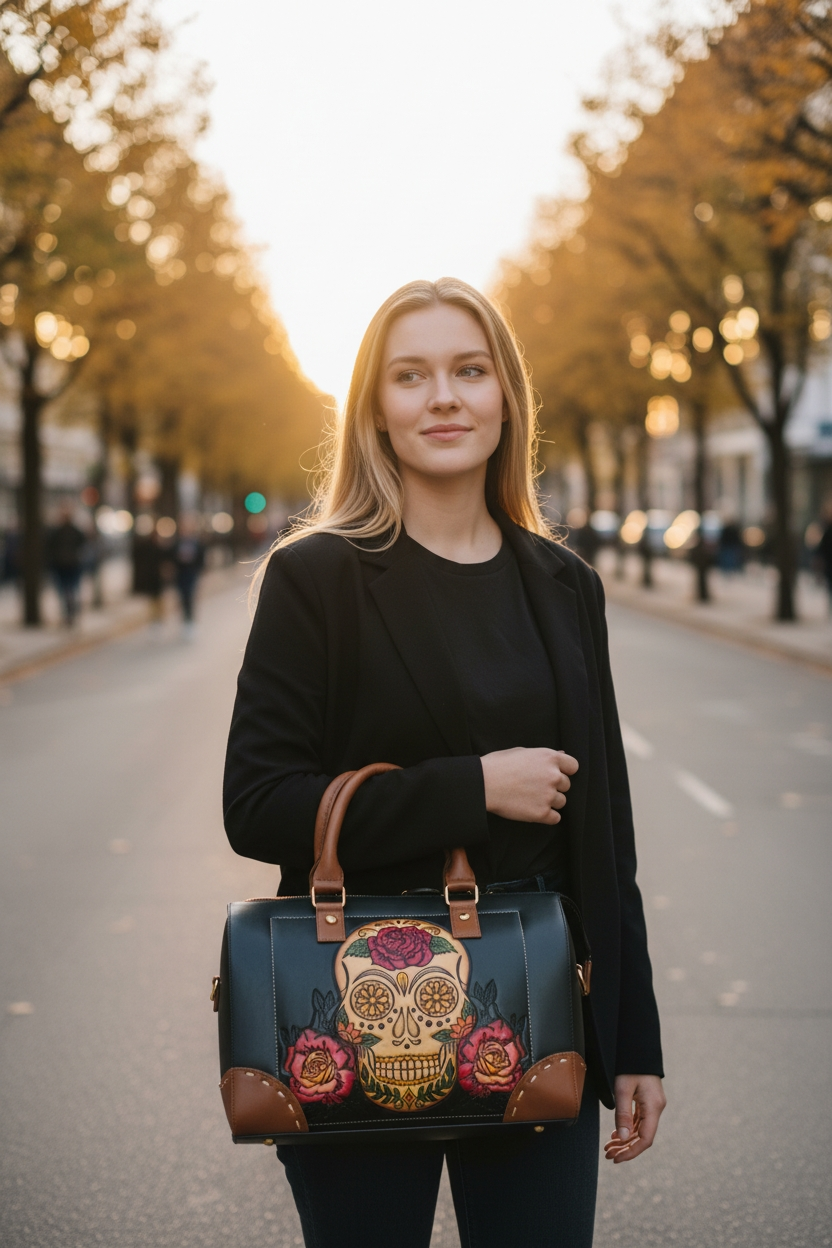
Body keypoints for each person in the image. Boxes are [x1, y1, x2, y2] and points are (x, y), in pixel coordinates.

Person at [223, 279, 665, 1248]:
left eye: (469, 371)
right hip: (353, 1012)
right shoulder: (316, 579)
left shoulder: (563, 587)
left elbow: (606, 837)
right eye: (411, 376)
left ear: (505, 396)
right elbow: (256, 804)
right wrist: (473, 788)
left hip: (536, 1007)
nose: (444, 398)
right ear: (375, 411)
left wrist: (632, 1042)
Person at [45, 505, 87, 626]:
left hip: (60, 565)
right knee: (72, 589)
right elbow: (83, 544)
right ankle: (71, 611)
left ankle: (68, 613)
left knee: (63, 590)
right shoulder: (76, 531)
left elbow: (49, 547)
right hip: (73, 564)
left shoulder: (56, 531)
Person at [172, 513, 205, 638]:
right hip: (180, 574)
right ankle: (185, 621)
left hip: (192, 574)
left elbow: (201, 558)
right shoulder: (177, 543)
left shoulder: (197, 542)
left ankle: (191, 622)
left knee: (190, 597)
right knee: (182, 598)